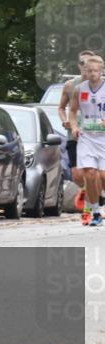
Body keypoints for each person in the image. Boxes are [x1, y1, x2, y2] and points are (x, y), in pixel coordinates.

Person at [59, 50, 95, 222]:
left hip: (95, 136)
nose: (86, 68)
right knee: (76, 175)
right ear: (79, 66)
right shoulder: (70, 85)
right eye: (83, 64)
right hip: (74, 135)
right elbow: (61, 108)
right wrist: (65, 120)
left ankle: (89, 208)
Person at [69, 55, 105, 227]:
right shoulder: (79, 89)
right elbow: (73, 112)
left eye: (96, 71)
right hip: (87, 137)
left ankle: (98, 203)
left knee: (103, 176)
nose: (93, 74)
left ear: (101, 71)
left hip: (104, 138)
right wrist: (74, 127)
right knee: (89, 175)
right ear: (85, 70)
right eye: (89, 71)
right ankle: (95, 212)